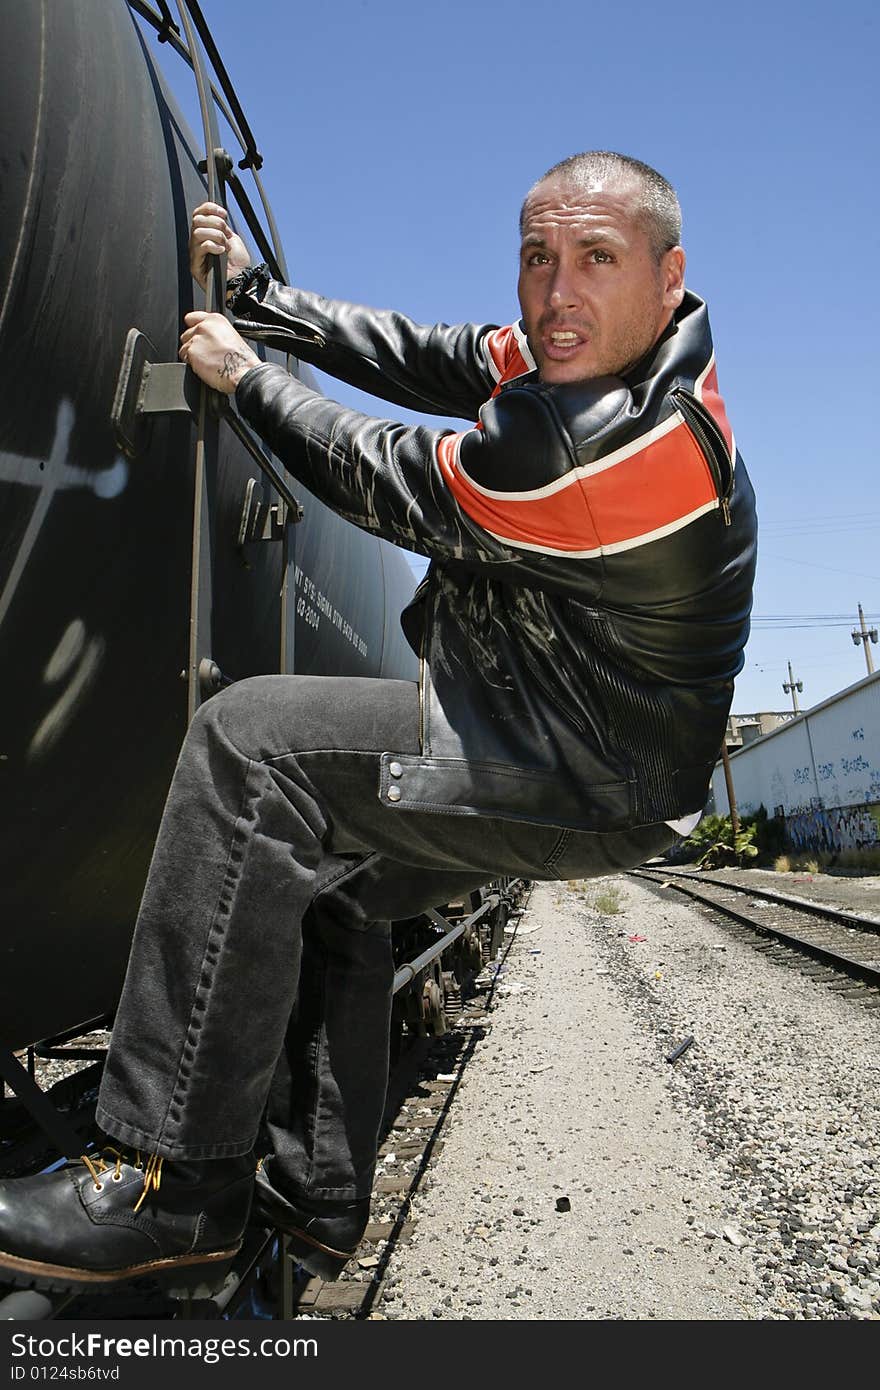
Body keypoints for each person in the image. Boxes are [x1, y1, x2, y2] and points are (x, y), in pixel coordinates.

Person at [0, 151, 756, 1296]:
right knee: (338, 880)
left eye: (595, 258)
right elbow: (435, 354)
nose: (555, 293)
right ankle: (313, 1208)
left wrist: (245, 374)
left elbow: (383, 473)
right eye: (536, 258)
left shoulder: (620, 450)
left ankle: (167, 1184)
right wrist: (267, 299)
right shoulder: (588, 351)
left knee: (254, 744)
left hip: (585, 776)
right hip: (562, 736)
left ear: (668, 274)